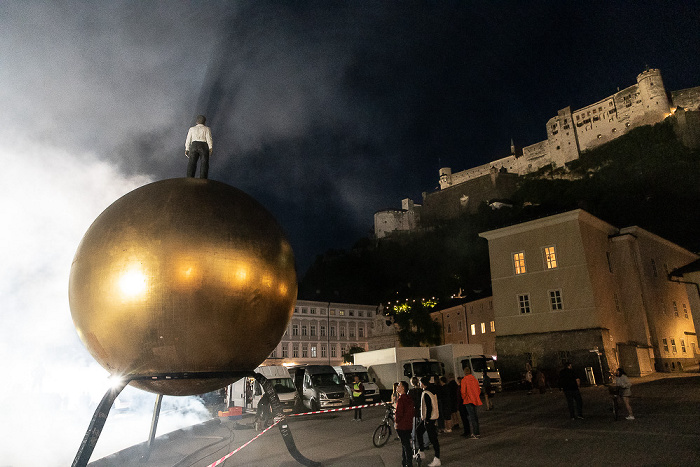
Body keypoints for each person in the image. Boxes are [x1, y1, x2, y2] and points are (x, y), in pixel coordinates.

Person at [416, 377, 441, 466]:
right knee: (419, 431)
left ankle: (437, 458)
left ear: (422, 383)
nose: (419, 384)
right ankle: (421, 451)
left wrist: (427, 420)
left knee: (433, 438)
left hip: (429, 418)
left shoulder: (426, 393)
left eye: (420, 382)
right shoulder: (431, 391)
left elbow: (429, 407)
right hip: (431, 417)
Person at [185, 114, 213, 179]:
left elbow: (188, 139)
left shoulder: (192, 129)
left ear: (196, 122)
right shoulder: (207, 129)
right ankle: (203, 179)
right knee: (204, 163)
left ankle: (189, 178)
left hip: (194, 145)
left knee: (192, 162)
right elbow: (209, 139)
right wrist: (210, 148)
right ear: (204, 122)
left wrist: (187, 149)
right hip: (203, 145)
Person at [394, 381, 414, 467]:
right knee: (405, 444)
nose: (397, 387)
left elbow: (399, 413)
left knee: (405, 445)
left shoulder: (401, 399)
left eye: (399, 385)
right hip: (409, 424)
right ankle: (405, 461)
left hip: (402, 425)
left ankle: (408, 463)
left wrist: (396, 422)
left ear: (403, 388)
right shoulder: (409, 398)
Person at [460, 365, 482, 438]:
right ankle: (477, 432)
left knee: (472, 417)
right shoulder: (474, 379)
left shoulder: (464, 380)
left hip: (468, 400)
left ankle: (475, 433)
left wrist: (464, 398)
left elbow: (463, 391)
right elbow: (478, 390)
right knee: (475, 417)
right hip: (474, 399)